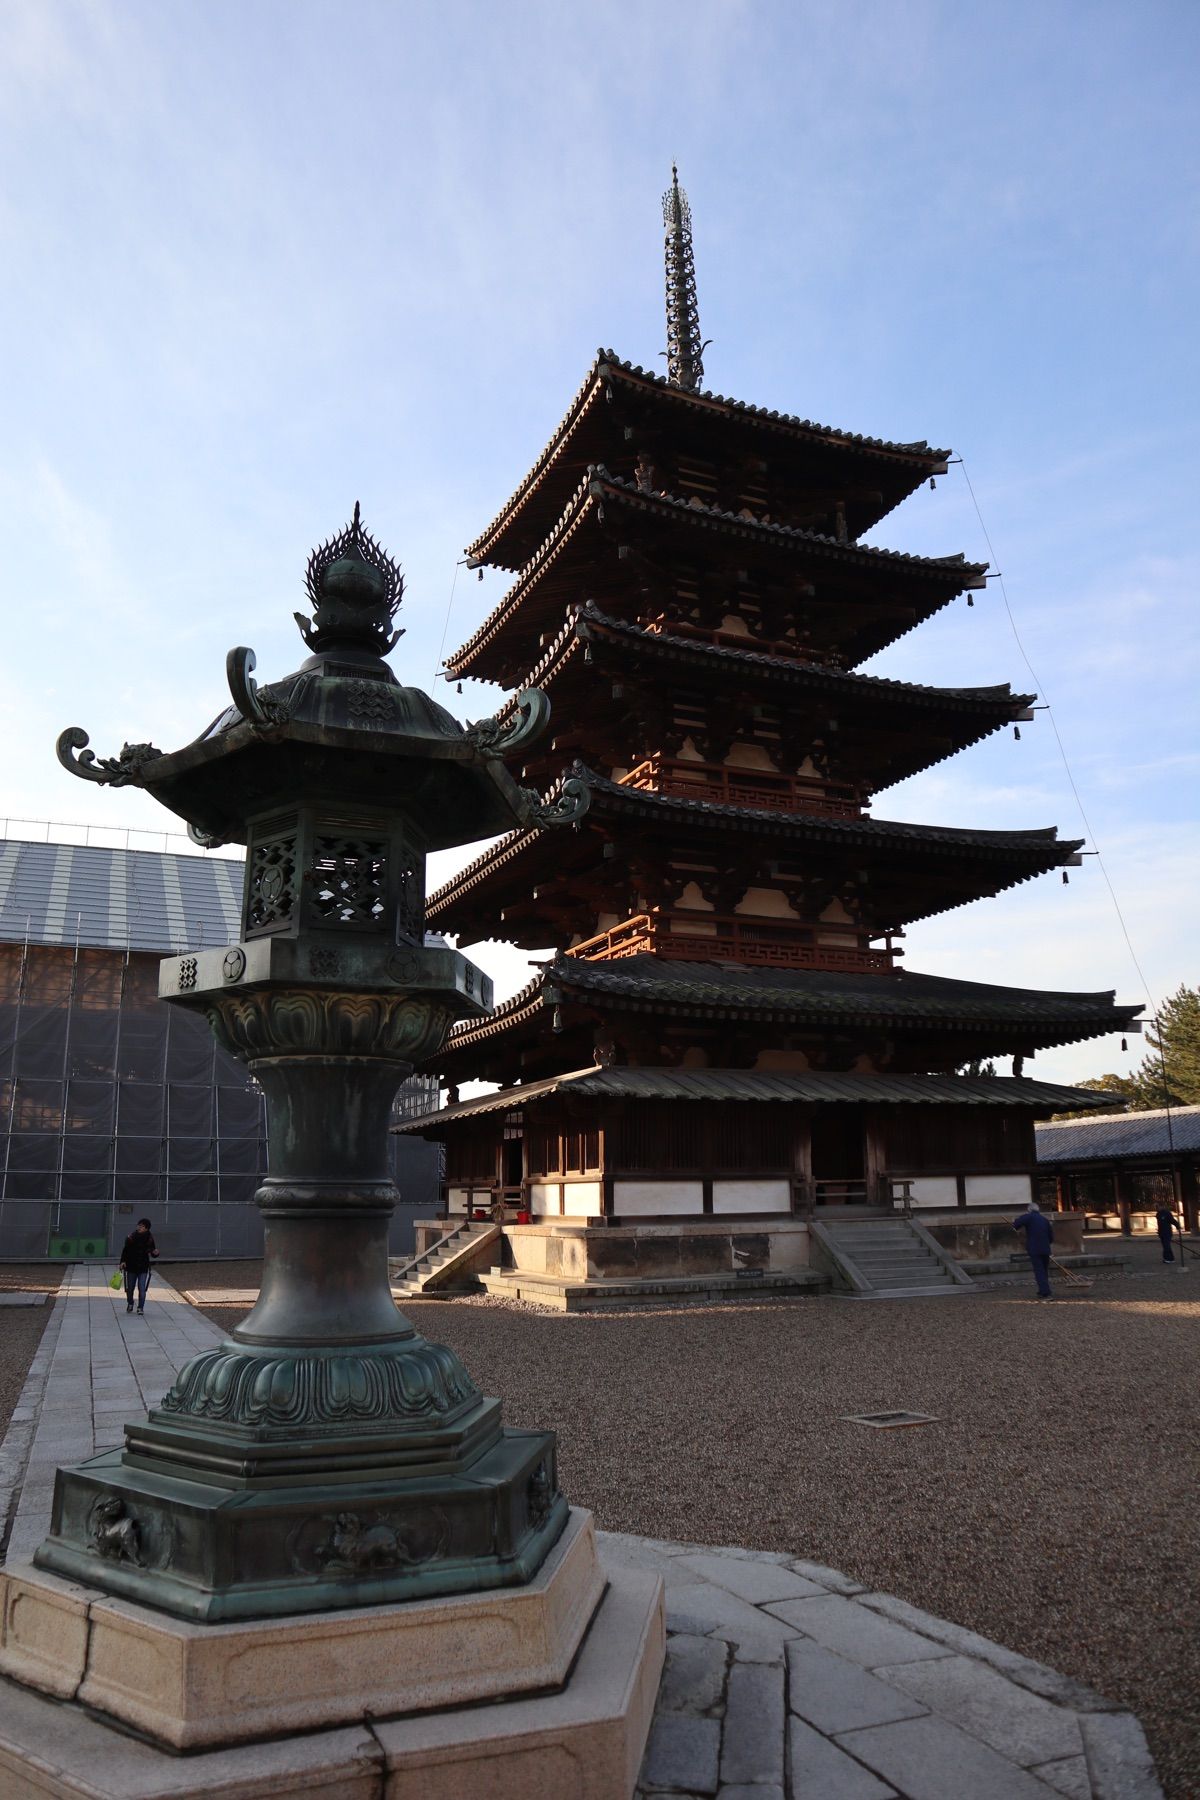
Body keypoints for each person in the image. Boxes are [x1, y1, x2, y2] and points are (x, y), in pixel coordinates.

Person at [1011, 1200, 1055, 1298]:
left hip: (1035, 1248)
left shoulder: (1029, 1217)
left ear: (1029, 1210)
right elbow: (1051, 1237)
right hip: (1045, 1248)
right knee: (1044, 1271)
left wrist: (1015, 1226)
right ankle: (1043, 1290)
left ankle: (1045, 1292)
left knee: (1039, 1271)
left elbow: (1016, 1223)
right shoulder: (1044, 1220)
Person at [119, 1218, 158, 1315]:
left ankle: (140, 1307)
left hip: (143, 1267)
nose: (139, 1227)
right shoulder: (131, 1237)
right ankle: (130, 1303)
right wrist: (123, 1261)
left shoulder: (149, 1238)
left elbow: (152, 1251)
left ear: (147, 1228)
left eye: (142, 1226)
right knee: (130, 1288)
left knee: (142, 1288)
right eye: (139, 1225)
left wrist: (155, 1253)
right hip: (131, 1266)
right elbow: (125, 1250)